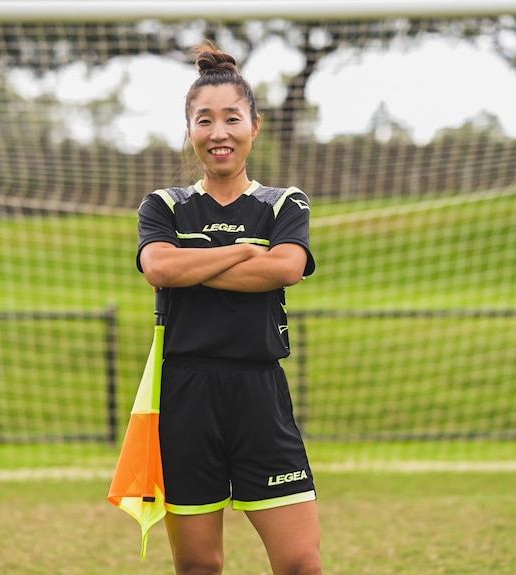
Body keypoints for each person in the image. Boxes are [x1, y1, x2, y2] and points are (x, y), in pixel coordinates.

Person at [135, 42, 322, 575]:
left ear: (254, 126)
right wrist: (244, 250)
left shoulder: (285, 203)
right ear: (190, 130)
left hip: (260, 393)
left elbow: (284, 268)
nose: (219, 133)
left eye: (232, 119)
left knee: (300, 565)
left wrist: (195, 260)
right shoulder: (164, 205)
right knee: (198, 567)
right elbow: (160, 270)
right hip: (186, 394)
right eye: (204, 120)